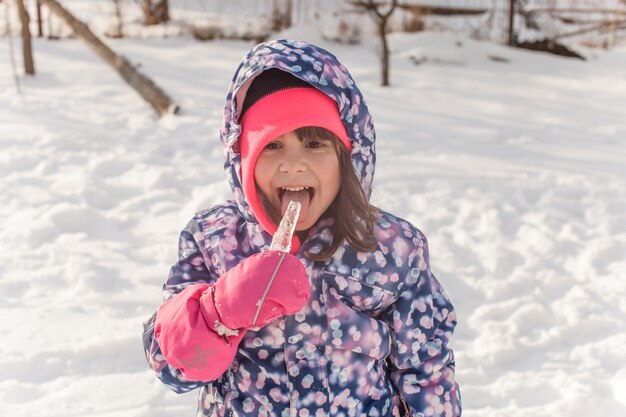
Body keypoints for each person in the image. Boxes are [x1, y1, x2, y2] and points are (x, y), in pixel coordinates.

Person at [143, 39, 461, 417]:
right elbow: (171, 367)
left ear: (348, 155)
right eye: (272, 145)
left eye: (313, 143)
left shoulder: (391, 248)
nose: (293, 165)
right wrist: (219, 310)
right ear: (243, 158)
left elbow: (427, 370)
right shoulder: (214, 239)